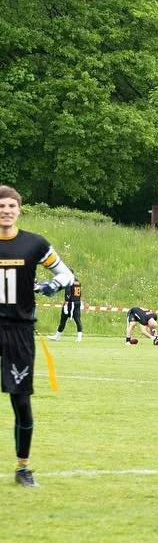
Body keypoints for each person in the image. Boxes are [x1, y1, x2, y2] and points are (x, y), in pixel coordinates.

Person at [0, 185, 75, 487]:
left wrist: (52, 286)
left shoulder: (34, 244)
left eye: (11, 206)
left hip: (19, 330)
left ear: (19, 210)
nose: (6, 211)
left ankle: (23, 467)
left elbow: (66, 274)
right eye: (1, 206)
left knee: (21, 399)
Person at [47, 276, 83, 342]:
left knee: (63, 319)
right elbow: (79, 293)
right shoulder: (78, 282)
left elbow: (68, 292)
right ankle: (79, 337)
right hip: (77, 302)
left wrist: (66, 304)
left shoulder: (69, 282)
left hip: (70, 303)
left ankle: (57, 336)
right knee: (77, 320)